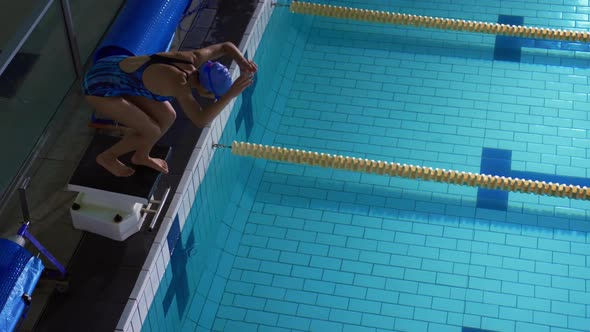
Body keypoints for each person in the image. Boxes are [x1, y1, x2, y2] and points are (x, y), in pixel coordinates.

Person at [82, 41, 257, 177]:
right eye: (213, 96)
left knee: (168, 116)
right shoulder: (179, 84)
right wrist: (230, 95)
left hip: (113, 68)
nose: (212, 99)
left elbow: (226, 46)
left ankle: (141, 156)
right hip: (99, 87)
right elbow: (200, 120)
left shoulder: (193, 58)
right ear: (205, 88)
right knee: (151, 131)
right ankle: (108, 157)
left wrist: (242, 62)